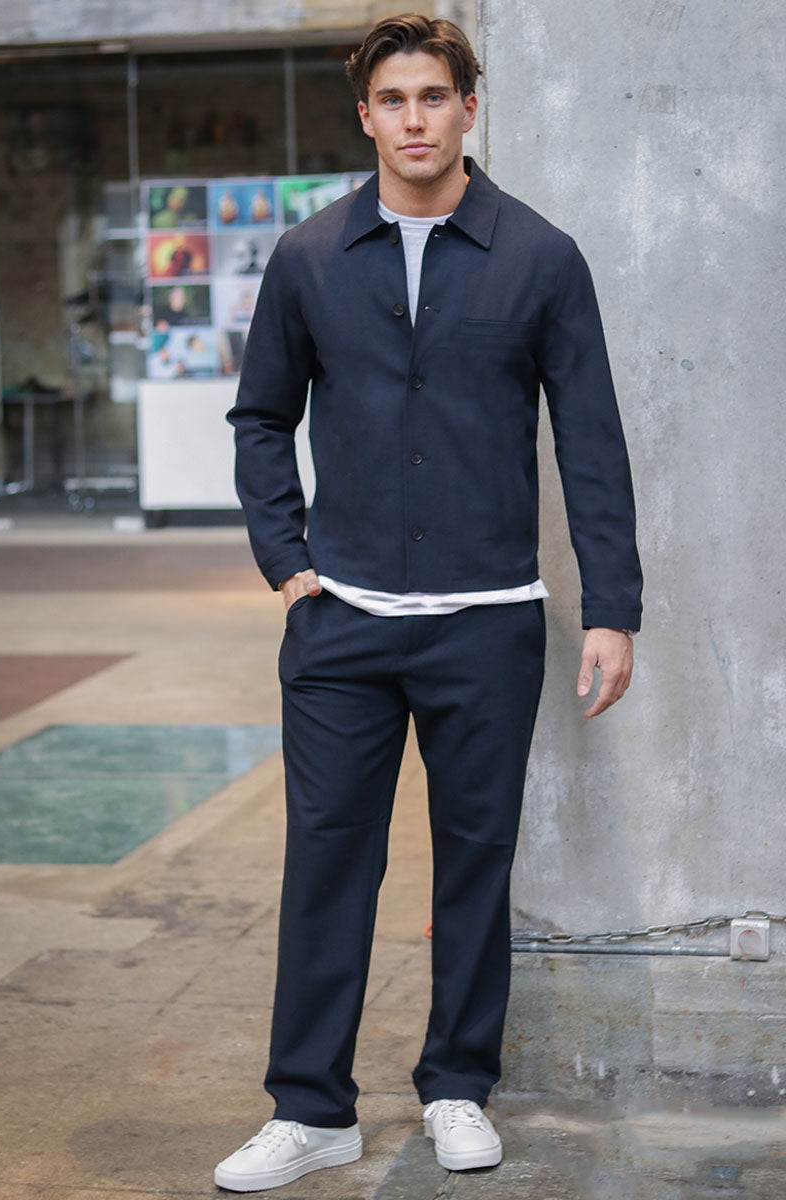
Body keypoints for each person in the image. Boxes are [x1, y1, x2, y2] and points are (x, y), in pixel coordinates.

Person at [215, 13, 642, 1193]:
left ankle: (457, 1087)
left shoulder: (539, 256)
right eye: (393, 100)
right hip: (341, 621)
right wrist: (285, 559)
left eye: (434, 97)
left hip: (487, 621)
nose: (414, 119)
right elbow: (260, 417)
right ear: (366, 116)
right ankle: (310, 1110)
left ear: (468, 109)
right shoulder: (307, 257)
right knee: (325, 867)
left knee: (472, 866)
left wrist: (610, 608)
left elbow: (590, 441)